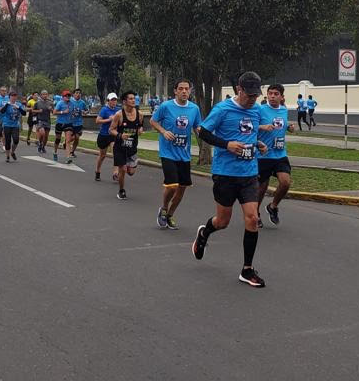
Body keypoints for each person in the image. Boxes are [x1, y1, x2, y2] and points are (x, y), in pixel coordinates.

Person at [191, 71, 269, 288]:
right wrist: (227, 145)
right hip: (225, 173)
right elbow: (203, 132)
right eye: (249, 95)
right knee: (222, 221)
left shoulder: (257, 110)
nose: (252, 99)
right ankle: (205, 232)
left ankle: (247, 269)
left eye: (255, 96)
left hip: (249, 174)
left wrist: (257, 144)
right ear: (239, 90)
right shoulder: (223, 109)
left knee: (252, 218)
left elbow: (250, 133)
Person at [149, 79, 203, 230]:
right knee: (172, 185)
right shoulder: (166, 106)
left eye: (187, 88)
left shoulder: (194, 108)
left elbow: (197, 126)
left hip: (184, 154)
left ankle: (170, 215)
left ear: (190, 91)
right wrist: (164, 131)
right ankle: (164, 208)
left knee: (182, 188)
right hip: (168, 152)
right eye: (181, 89)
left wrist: (203, 132)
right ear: (175, 91)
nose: (184, 91)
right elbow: (153, 121)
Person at [257, 84, 295, 227]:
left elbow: (281, 125)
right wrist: (262, 127)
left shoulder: (284, 110)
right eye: (270, 93)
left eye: (276, 94)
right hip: (264, 155)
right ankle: (255, 213)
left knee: (285, 182)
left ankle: (272, 207)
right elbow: (250, 126)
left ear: (282, 97)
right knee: (262, 187)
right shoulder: (260, 110)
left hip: (280, 154)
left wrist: (289, 127)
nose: (272, 96)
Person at [108, 91, 143, 200]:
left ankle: (132, 164)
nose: (133, 100)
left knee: (131, 172)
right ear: (124, 101)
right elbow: (111, 130)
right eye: (131, 99)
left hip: (132, 147)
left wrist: (140, 130)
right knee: (122, 169)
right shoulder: (119, 115)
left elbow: (141, 126)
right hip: (120, 148)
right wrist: (120, 135)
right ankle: (121, 190)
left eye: (134, 98)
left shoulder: (140, 114)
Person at [94, 93, 119, 182]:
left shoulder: (118, 110)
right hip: (103, 135)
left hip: (112, 135)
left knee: (115, 153)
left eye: (115, 100)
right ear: (108, 101)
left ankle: (115, 173)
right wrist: (109, 119)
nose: (114, 102)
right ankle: (97, 171)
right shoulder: (104, 110)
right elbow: (97, 121)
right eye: (112, 100)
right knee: (102, 155)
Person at [0, 91, 27, 163]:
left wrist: (18, 108)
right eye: (12, 96)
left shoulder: (18, 104)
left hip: (15, 125)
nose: (13, 98)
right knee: (8, 141)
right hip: (7, 124)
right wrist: (7, 105)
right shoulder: (6, 104)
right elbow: (2, 111)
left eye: (15, 96)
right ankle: (7, 156)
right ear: (9, 97)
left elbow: (24, 113)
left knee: (16, 140)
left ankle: (12, 152)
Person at [52, 91, 75, 163]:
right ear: (63, 97)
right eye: (66, 96)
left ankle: (68, 157)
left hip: (68, 124)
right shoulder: (60, 103)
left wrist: (74, 114)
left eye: (69, 96)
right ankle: (55, 152)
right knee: (58, 139)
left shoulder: (72, 103)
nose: (67, 97)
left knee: (68, 140)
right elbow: (54, 112)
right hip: (60, 123)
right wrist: (63, 112)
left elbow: (73, 112)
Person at [70, 88, 87, 162]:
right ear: (73, 94)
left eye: (79, 93)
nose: (78, 94)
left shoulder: (82, 102)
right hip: (70, 122)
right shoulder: (70, 101)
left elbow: (86, 110)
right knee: (71, 137)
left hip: (79, 123)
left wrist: (84, 112)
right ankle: (66, 142)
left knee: (77, 137)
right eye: (76, 93)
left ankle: (72, 151)